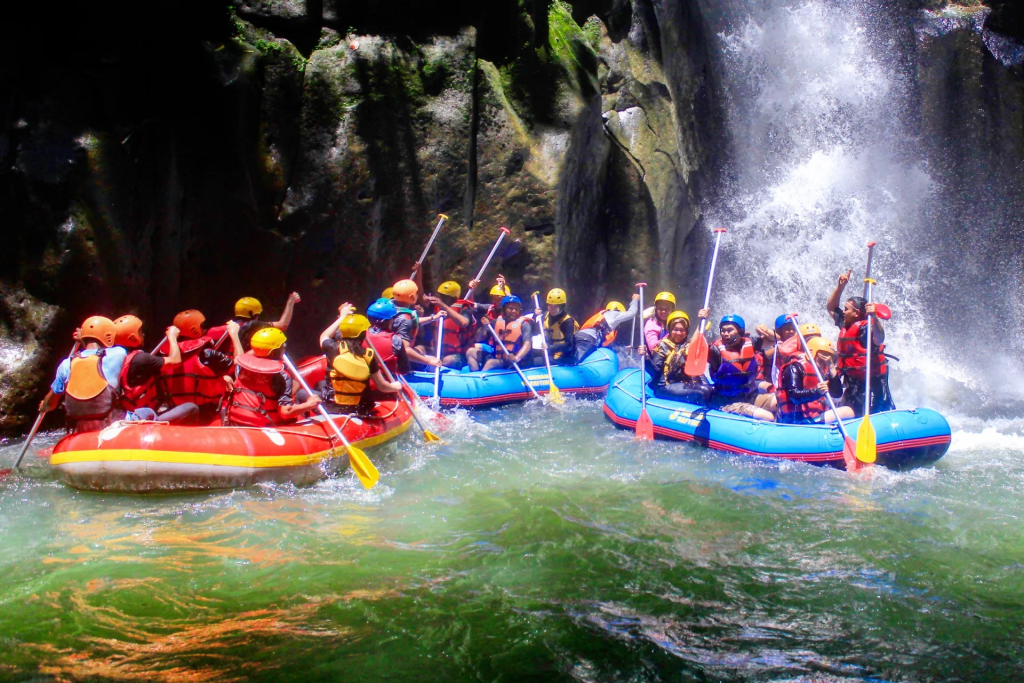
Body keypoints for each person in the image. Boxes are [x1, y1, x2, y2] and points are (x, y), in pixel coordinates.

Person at [38, 316, 131, 432]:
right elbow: (96, 356)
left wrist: (44, 405)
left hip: (81, 430)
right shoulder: (119, 353)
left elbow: (50, 404)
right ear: (109, 337)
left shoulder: (66, 364)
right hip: (114, 426)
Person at [827, 268, 895, 416]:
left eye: (846, 309)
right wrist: (840, 287)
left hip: (872, 382)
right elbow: (831, 307)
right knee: (852, 409)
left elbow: (879, 338)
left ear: (856, 313)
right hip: (853, 381)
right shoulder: (845, 323)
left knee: (875, 411)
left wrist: (874, 317)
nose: (843, 312)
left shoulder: (868, 329)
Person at [222, 328, 320, 427]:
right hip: (263, 426)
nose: (284, 348)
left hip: (235, 421)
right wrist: (309, 404)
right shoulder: (281, 375)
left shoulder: (241, 365)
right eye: (283, 346)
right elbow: (286, 412)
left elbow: (241, 356)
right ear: (274, 352)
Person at [112, 315, 198, 424]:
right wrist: (172, 337)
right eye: (140, 332)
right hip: (139, 420)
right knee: (191, 408)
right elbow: (175, 360)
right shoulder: (140, 359)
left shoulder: (116, 358)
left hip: (127, 414)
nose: (143, 334)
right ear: (132, 337)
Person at [318, 312, 400, 415]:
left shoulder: (332, 348)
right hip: (361, 408)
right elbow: (382, 386)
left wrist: (342, 316)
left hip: (333, 406)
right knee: (320, 384)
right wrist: (396, 386)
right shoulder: (368, 355)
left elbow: (324, 336)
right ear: (363, 334)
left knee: (303, 393)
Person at [160, 311, 242, 415]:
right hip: (207, 411)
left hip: (175, 409)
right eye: (203, 325)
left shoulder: (166, 355)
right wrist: (234, 335)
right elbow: (240, 364)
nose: (205, 328)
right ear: (194, 330)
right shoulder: (207, 353)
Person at [707, 315, 776, 420]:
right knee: (768, 416)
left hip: (749, 397)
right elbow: (697, 355)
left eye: (730, 330)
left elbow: (775, 340)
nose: (725, 334)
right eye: (723, 330)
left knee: (779, 402)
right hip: (726, 402)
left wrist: (766, 330)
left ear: (740, 331)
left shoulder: (750, 343)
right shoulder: (715, 350)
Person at [777, 337, 853, 424]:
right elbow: (794, 397)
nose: (824, 361)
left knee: (849, 411)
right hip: (795, 418)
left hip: (815, 415)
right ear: (811, 354)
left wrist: (831, 367)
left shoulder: (822, 371)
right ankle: (809, 424)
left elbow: (837, 394)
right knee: (847, 411)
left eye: (828, 359)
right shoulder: (794, 368)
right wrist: (817, 391)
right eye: (822, 357)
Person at [645, 310, 711, 404]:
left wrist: (702, 320)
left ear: (686, 331)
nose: (679, 333)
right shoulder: (663, 346)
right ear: (670, 330)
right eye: (675, 329)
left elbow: (697, 339)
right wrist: (646, 358)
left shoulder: (687, 346)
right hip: (664, 386)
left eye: (682, 330)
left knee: (709, 391)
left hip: (684, 384)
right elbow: (655, 372)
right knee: (701, 393)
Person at [391, 278, 441, 369]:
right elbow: (404, 350)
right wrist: (429, 361)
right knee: (433, 360)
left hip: (388, 354)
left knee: (420, 349)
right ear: (412, 297)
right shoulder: (405, 319)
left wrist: (433, 318)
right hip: (399, 362)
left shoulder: (392, 309)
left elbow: (410, 322)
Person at [465, 278, 511, 371]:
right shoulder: (489, 308)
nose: (497, 301)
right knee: (471, 350)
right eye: (495, 298)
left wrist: (505, 290)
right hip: (492, 347)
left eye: (500, 298)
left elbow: (512, 301)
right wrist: (472, 289)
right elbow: (471, 304)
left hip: (505, 348)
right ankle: (476, 376)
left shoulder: (511, 313)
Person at [576, 295, 640, 362]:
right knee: (575, 361)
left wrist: (623, 349)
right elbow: (632, 313)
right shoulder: (615, 313)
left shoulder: (605, 318)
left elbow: (608, 346)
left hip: (581, 336)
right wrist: (635, 300)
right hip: (588, 339)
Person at [425, 281, 473, 368]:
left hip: (458, 355)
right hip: (437, 351)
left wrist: (443, 306)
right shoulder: (437, 306)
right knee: (419, 349)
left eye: (445, 297)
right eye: (441, 295)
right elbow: (421, 298)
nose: (442, 298)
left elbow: (464, 322)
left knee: (447, 360)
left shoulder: (465, 308)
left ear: (454, 299)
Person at [232, 293, 302, 351]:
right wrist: (290, 302)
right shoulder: (252, 324)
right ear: (252, 313)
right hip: (244, 361)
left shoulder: (231, 325)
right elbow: (283, 325)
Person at [482, 295, 535, 370]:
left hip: (517, 360)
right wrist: (484, 326)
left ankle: (481, 379)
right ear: (504, 309)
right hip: (500, 357)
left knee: (491, 363)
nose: (514, 311)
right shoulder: (496, 321)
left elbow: (527, 345)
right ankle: (472, 377)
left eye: (516, 309)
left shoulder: (524, 324)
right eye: (510, 308)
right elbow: (479, 338)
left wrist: (516, 358)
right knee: (471, 351)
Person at [533, 288, 579, 366]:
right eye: (550, 305)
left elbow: (569, 345)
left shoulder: (567, 321)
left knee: (536, 361)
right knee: (529, 356)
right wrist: (535, 316)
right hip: (550, 352)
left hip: (566, 356)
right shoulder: (545, 316)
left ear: (562, 306)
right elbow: (534, 331)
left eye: (555, 306)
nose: (552, 309)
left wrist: (550, 347)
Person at [365, 298, 410, 376]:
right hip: (387, 382)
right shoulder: (395, 340)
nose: (393, 320)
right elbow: (404, 369)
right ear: (383, 321)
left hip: (364, 381)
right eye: (392, 318)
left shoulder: (361, 336)